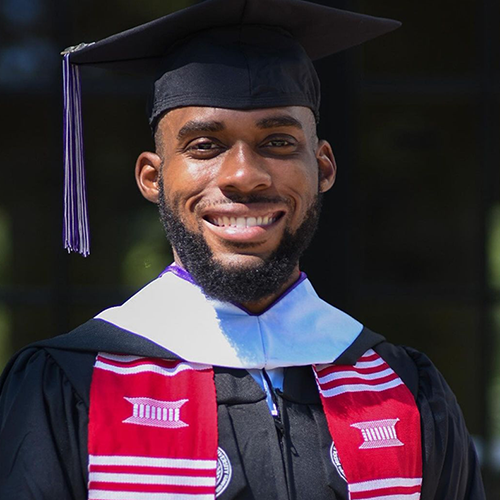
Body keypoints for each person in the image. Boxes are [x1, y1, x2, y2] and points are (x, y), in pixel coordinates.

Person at [0, 0, 485, 499]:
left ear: (323, 168)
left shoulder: (404, 390)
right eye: (205, 146)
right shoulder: (70, 386)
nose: (244, 177)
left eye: (277, 142)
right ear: (152, 176)